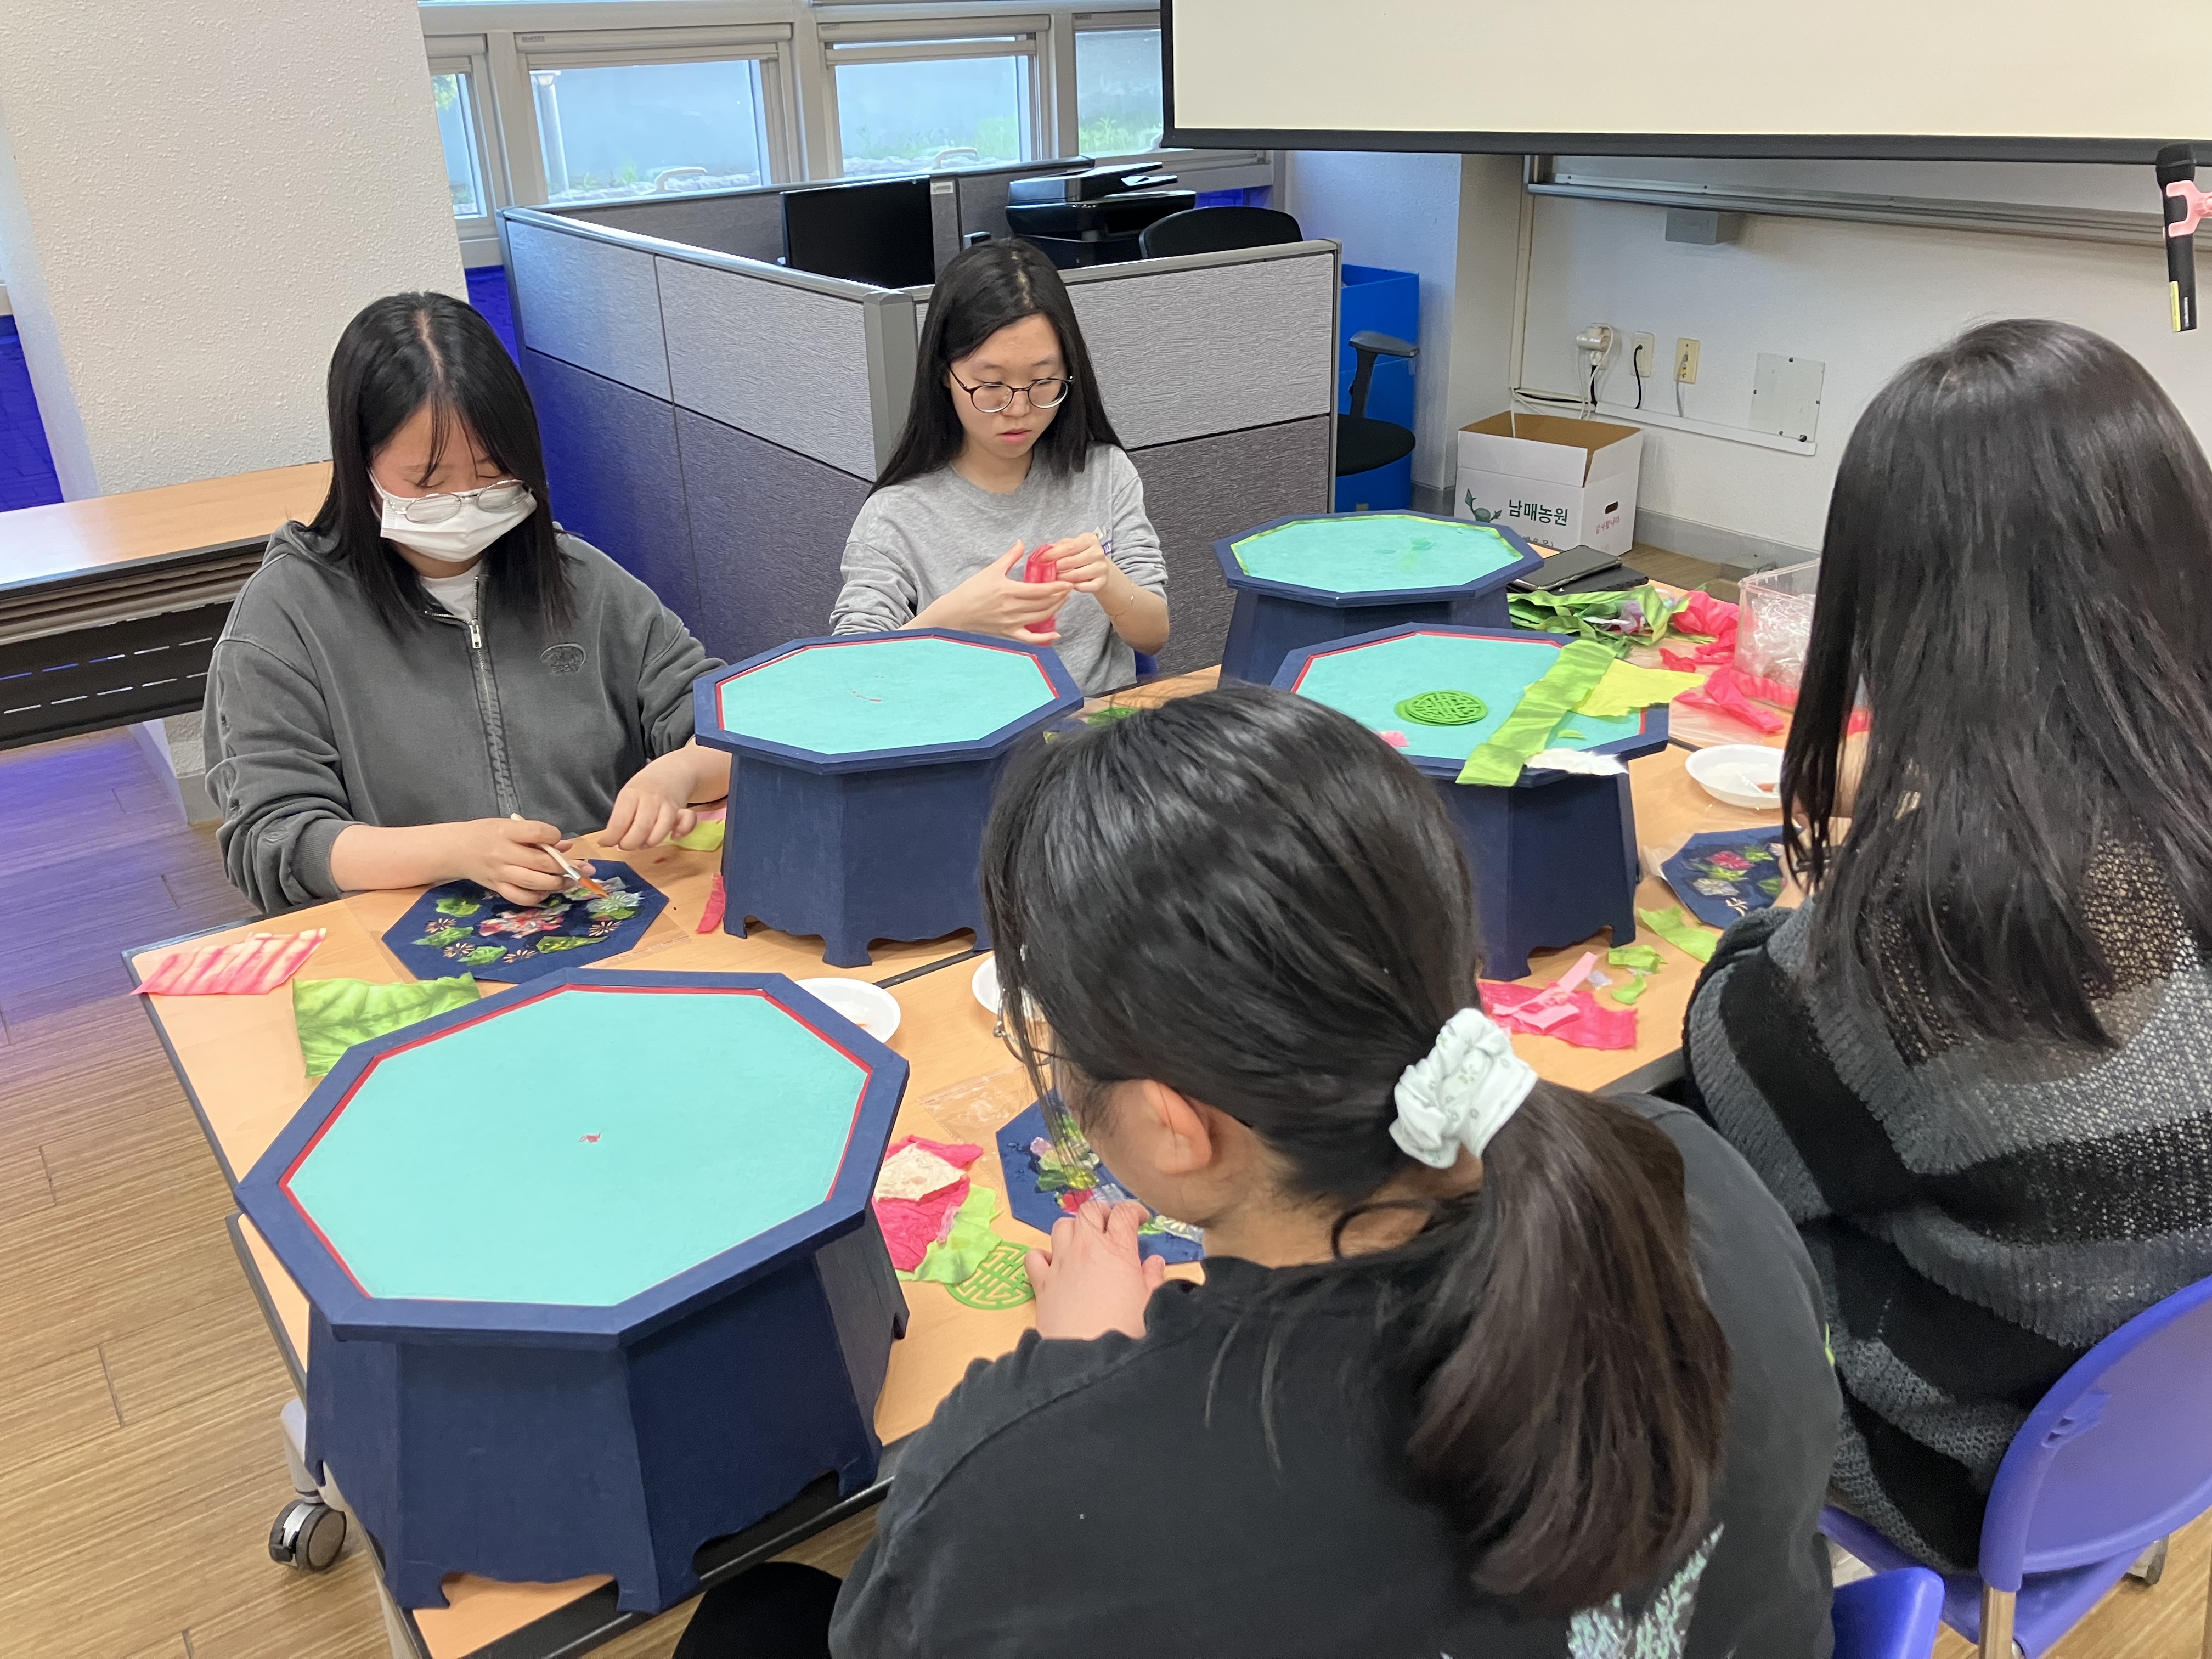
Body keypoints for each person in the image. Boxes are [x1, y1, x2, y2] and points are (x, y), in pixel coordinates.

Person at [677, 687, 1839, 1659]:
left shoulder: (1035, 1487)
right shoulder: (1693, 1171)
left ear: (1176, 1125)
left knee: (753, 1616)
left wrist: (1081, 1377)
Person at [1685, 318, 2212, 1573]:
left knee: (1658, 1181)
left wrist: (1806, 913)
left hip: (1970, 1462)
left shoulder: (1923, 945)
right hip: (2159, 1416)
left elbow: (1733, 1066)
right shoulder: (2164, 830)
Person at [204, 292, 729, 913]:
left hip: (602, 914)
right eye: (428, 480)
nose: (467, 499)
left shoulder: (584, 583)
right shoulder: (288, 615)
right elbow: (274, 839)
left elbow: (736, 726)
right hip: (407, 934)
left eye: (491, 471)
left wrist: (679, 774)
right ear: (357, 464)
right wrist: (456, 851)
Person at [829, 239, 1169, 696]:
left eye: (1043, 381)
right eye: (991, 385)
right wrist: (948, 620)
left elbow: (1153, 635)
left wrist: (1108, 582)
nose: (1019, 409)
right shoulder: (896, 514)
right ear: (945, 373)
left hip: (1098, 731)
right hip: (970, 734)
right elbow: (852, 673)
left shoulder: (1103, 473)